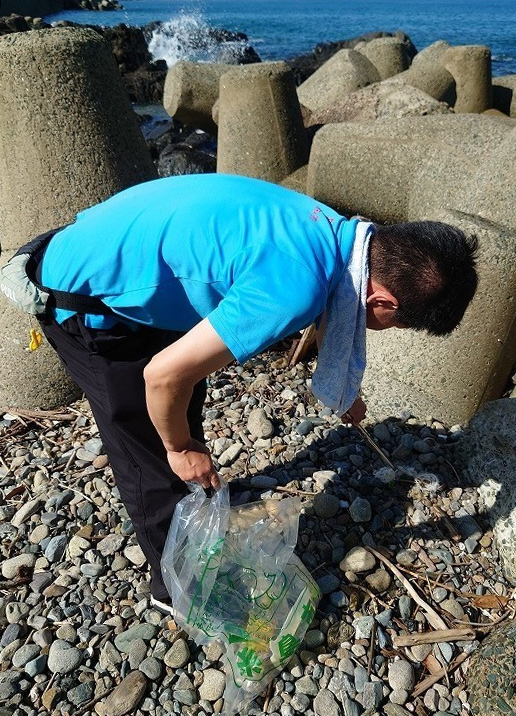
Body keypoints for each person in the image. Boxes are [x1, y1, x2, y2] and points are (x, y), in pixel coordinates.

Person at [33, 173, 478, 612]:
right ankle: (174, 586)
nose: (383, 328)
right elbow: (163, 377)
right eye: (393, 324)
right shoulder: (294, 288)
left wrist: (345, 390)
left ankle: (197, 509)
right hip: (83, 297)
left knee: (185, 397)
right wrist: (179, 447)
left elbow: (336, 308)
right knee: (147, 450)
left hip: (121, 253)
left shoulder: (336, 231)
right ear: (384, 303)